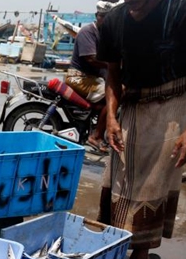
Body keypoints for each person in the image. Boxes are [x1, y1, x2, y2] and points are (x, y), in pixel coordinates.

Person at [98, 0, 186, 259]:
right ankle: (115, 247)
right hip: (132, 104)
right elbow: (113, 74)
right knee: (119, 181)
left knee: (153, 185)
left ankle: (140, 256)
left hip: (173, 101)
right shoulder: (113, 21)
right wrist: (111, 116)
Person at [65, 1, 117, 153]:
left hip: (92, 78)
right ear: (96, 16)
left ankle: (95, 127)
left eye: (108, 17)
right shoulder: (88, 31)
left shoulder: (106, 35)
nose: (104, 20)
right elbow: (91, 58)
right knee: (114, 95)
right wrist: (113, 65)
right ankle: (97, 135)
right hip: (78, 77)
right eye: (102, 16)